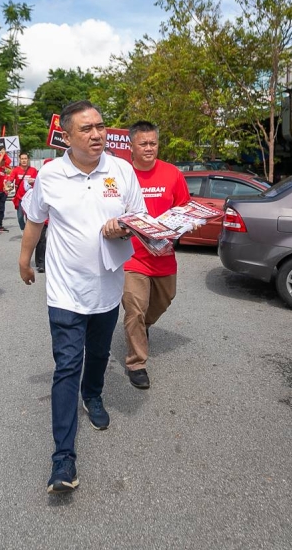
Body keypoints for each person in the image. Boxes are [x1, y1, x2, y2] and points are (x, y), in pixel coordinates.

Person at [18, 100, 145, 495]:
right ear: (67, 136)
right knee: (66, 367)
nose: (97, 134)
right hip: (65, 291)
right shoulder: (50, 175)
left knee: (101, 354)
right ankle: (63, 460)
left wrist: (121, 229)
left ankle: (94, 395)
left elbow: (138, 220)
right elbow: (35, 220)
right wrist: (24, 259)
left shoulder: (121, 170)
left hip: (108, 288)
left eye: (101, 127)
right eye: (86, 129)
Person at [121, 121, 191, 390]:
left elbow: (184, 209)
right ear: (132, 146)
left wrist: (186, 225)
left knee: (164, 300)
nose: (149, 148)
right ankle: (136, 362)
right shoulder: (124, 175)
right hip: (132, 256)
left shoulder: (173, 174)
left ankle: (143, 325)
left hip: (163, 254)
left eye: (153, 143)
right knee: (134, 307)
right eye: (144, 143)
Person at [8, 152, 38, 230]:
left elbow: (37, 183)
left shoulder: (33, 170)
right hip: (20, 198)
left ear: (28, 160)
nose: (24, 160)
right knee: (20, 217)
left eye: (25, 158)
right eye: (22, 159)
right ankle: (24, 230)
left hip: (30, 199)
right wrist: (7, 185)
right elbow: (10, 180)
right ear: (19, 160)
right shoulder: (16, 170)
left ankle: (28, 232)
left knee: (29, 218)